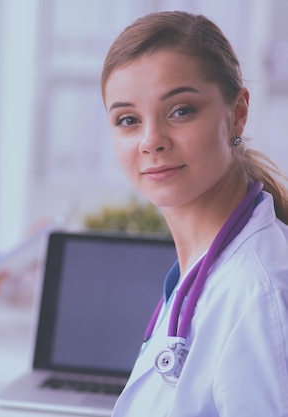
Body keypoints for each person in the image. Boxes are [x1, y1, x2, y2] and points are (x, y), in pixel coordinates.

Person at [100, 11, 288, 416]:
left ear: (237, 112)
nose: (151, 141)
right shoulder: (201, 273)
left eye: (180, 110)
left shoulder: (258, 293)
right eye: (128, 120)